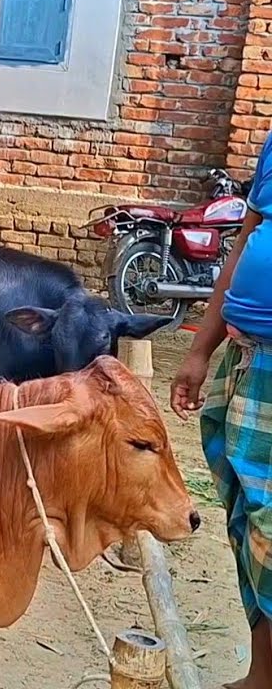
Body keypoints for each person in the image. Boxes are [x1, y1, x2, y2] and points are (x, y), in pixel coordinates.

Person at [172, 133, 272, 689]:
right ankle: (262, 674)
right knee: (246, 517)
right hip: (246, 358)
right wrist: (198, 349)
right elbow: (245, 244)